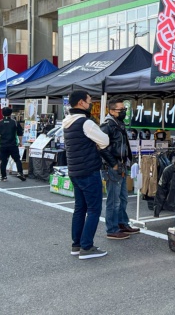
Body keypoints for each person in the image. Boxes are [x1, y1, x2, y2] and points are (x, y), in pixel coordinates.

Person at [62, 90, 111, 260]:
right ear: (81, 103)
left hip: (74, 170)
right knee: (94, 209)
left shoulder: (66, 122)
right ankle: (86, 247)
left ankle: (77, 244)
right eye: (89, 101)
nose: (90, 104)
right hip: (89, 171)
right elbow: (105, 141)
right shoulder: (85, 123)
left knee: (79, 208)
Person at [99, 98, 140, 240]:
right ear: (111, 111)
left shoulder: (119, 124)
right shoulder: (107, 126)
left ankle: (122, 223)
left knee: (123, 197)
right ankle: (112, 228)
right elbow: (100, 147)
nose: (123, 112)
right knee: (114, 199)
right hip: (112, 166)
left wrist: (129, 159)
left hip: (121, 164)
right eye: (120, 110)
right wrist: (113, 164)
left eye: (124, 109)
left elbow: (125, 145)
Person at [0, 107, 26, 182]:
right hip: (13, 144)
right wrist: (20, 142)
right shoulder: (15, 122)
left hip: (3, 145)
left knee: (3, 161)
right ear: (11, 114)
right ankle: (20, 173)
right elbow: (20, 133)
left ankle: (3, 176)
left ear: (2, 113)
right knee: (17, 159)